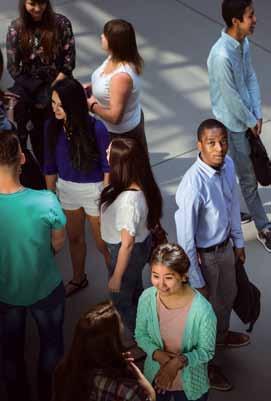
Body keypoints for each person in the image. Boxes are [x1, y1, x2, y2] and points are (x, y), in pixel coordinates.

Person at [175, 119, 250, 391]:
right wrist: (196, 279)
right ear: (199, 145)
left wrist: (238, 242)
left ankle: (221, 336)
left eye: (223, 141)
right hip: (204, 259)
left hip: (225, 248)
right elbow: (185, 239)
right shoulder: (192, 186)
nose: (219, 148)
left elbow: (231, 205)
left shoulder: (227, 165)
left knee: (227, 298)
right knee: (203, 316)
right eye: (211, 143)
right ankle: (204, 366)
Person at [0, 131, 66, 401]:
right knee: (51, 346)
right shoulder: (46, 201)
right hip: (45, 288)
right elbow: (58, 244)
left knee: (10, 353)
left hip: (5, 294)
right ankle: (47, 394)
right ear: (23, 159)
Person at [207, 0, 271, 250]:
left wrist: (256, 114)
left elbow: (250, 76)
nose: (255, 19)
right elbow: (230, 97)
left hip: (246, 120)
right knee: (247, 178)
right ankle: (264, 227)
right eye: (250, 15)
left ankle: (230, 211)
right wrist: (248, 121)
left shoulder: (242, 43)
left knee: (235, 172)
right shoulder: (222, 56)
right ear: (236, 21)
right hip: (233, 126)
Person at [44, 77, 110, 297]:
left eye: (60, 105)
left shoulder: (96, 128)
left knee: (103, 243)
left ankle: (117, 280)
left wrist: (106, 196)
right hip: (67, 190)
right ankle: (78, 278)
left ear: (73, 104)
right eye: (53, 103)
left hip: (95, 190)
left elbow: (107, 166)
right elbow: (49, 165)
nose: (55, 109)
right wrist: (50, 197)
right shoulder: (51, 127)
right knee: (74, 238)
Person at [135, 243, 216, 401]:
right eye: (155, 276)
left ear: (184, 275)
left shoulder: (203, 310)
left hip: (190, 387)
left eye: (169, 278)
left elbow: (207, 351)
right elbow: (140, 334)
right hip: (155, 378)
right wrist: (161, 357)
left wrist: (178, 362)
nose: (161, 285)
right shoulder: (147, 298)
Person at [100, 137, 162, 333]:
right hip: (138, 247)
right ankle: (149, 328)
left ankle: (143, 341)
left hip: (125, 252)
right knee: (135, 291)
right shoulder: (136, 184)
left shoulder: (128, 202)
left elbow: (127, 244)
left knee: (121, 301)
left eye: (110, 153)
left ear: (121, 165)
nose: (106, 153)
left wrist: (117, 277)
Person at [6, 0, 75, 168]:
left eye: (42, 3)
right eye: (32, 4)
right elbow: (13, 68)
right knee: (33, 132)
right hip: (30, 87)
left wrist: (52, 90)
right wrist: (37, 89)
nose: (38, 9)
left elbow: (69, 63)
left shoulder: (61, 23)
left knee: (59, 132)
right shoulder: (16, 28)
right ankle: (34, 171)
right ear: (24, 3)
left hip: (58, 84)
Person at [52, 300, 156, 401]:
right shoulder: (128, 391)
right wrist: (150, 392)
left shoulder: (64, 371)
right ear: (112, 344)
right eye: (120, 329)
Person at [87, 19, 148, 153]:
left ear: (115, 42)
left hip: (118, 135)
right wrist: (90, 87)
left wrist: (91, 105)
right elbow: (106, 83)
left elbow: (115, 117)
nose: (101, 36)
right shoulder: (113, 57)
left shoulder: (122, 77)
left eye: (105, 35)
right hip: (110, 130)